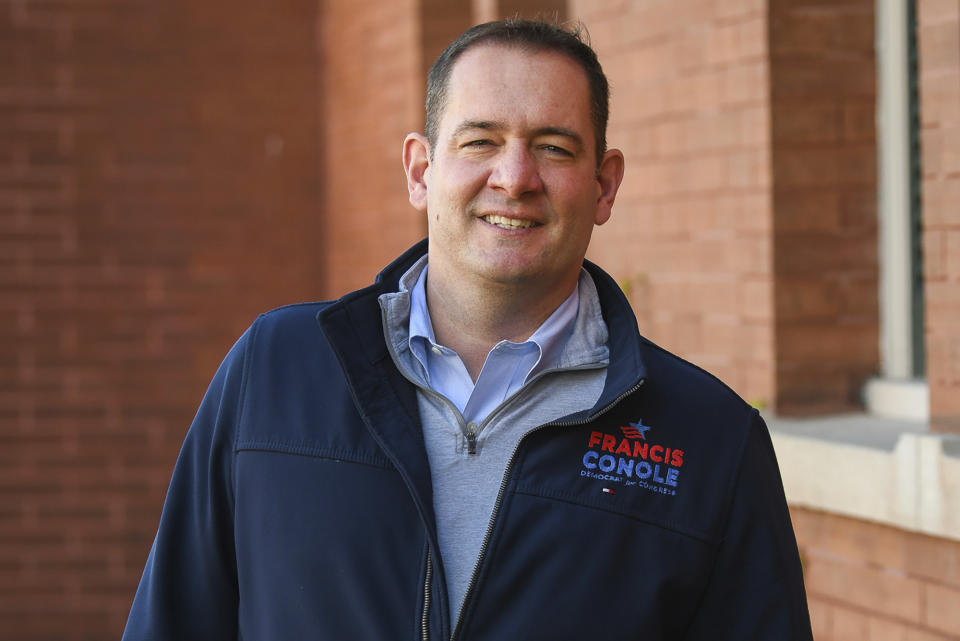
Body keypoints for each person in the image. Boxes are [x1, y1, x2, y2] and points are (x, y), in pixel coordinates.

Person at [122, 19, 813, 640]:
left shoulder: (709, 441)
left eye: (554, 147)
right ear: (421, 170)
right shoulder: (272, 373)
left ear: (604, 186)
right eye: (481, 140)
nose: (514, 178)